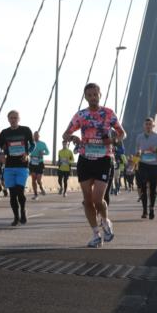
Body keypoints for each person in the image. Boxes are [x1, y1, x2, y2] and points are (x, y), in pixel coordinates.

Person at [62, 83, 125, 248]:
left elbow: (122, 133)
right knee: (87, 200)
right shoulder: (81, 115)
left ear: (100, 95)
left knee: (98, 199)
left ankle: (105, 221)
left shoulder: (108, 113)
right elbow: (66, 133)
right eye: (89, 95)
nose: (93, 98)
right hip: (85, 159)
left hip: (103, 159)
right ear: (85, 97)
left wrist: (112, 140)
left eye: (95, 94)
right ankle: (96, 234)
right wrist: (72, 138)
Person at [0, 111, 33, 226]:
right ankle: (16, 217)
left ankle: (23, 210)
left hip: (22, 165)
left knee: (20, 191)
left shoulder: (26, 130)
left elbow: (33, 144)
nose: (13, 120)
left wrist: (27, 153)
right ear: (8, 119)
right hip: (9, 166)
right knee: (12, 194)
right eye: (11, 118)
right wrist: (1, 154)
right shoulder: (5, 132)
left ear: (19, 119)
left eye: (15, 118)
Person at [135, 117, 157, 220]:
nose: (148, 126)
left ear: (153, 125)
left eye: (150, 124)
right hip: (143, 165)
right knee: (143, 188)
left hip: (154, 166)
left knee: (153, 189)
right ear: (144, 126)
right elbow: (137, 151)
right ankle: (144, 210)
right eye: (146, 124)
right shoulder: (139, 137)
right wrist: (137, 157)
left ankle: (152, 209)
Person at [28, 130, 49, 198]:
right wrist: (28, 154)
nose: (36, 137)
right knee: (33, 179)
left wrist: (43, 153)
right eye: (35, 136)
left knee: (38, 180)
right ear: (33, 136)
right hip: (32, 162)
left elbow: (48, 152)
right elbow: (26, 150)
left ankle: (41, 188)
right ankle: (35, 194)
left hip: (40, 162)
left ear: (39, 136)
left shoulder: (43, 144)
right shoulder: (30, 143)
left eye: (37, 136)